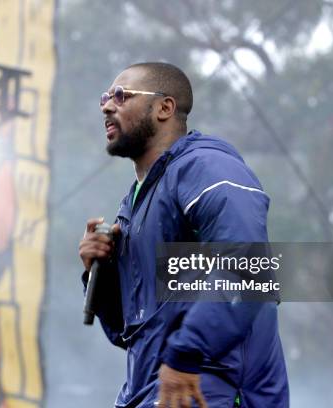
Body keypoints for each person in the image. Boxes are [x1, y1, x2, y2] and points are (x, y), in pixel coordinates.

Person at [78, 62, 289, 408]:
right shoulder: (134, 204)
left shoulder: (205, 166)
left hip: (212, 390)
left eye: (121, 95)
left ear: (164, 107)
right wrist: (97, 272)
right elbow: (130, 331)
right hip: (156, 391)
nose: (106, 105)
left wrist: (188, 351)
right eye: (105, 97)